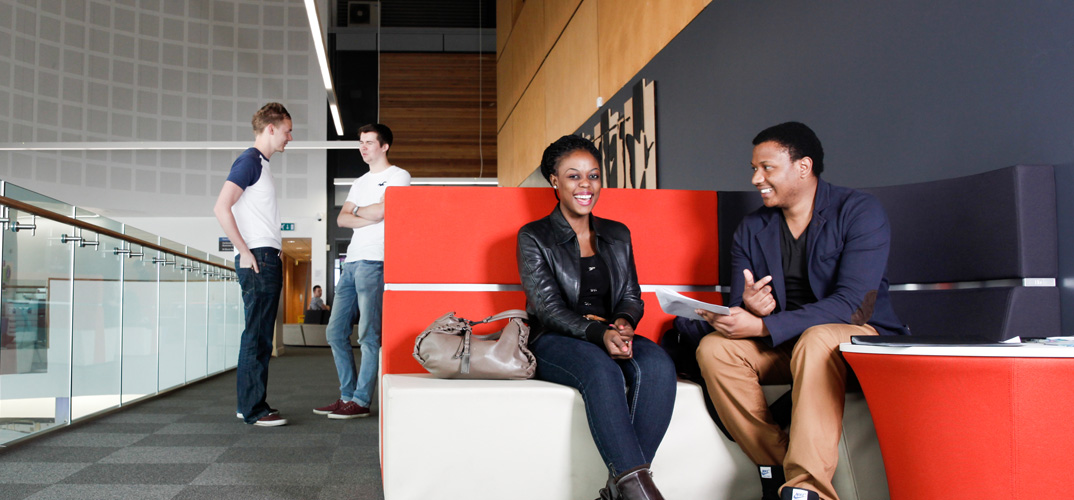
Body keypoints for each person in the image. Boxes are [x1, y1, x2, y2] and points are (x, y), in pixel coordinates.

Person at [690, 122, 909, 500]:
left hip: (856, 338)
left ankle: (810, 489)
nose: (756, 178)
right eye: (754, 168)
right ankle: (777, 472)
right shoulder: (751, 227)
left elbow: (854, 305)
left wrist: (763, 325)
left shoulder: (859, 211)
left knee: (817, 338)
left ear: (803, 167)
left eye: (767, 167)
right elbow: (742, 303)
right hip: (788, 343)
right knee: (714, 349)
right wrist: (748, 306)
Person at [517, 135, 676, 500]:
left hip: (609, 332)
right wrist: (597, 334)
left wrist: (622, 323)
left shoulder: (617, 233)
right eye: (573, 176)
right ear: (554, 181)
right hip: (557, 337)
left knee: (659, 366)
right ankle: (640, 493)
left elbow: (631, 296)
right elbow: (548, 309)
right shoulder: (535, 236)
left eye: (593, 175)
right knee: (601, 370)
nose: (585, 185)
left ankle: (617, 492)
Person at [314, 124, 411, 419]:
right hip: (351, 262)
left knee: (369, 334)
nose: (363, 147)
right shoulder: (359, 181)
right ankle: (346, 396)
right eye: (361, 142)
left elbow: (384, 213)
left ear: (384, 146)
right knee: (334, 332)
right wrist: (367, 211)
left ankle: (360, 400)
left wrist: (362, 212)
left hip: (376, 261)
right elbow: (341, 220)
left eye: (369, 142)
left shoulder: (399, 176)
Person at [213, 102, 294, 427]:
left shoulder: (261, 164)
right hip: (258, 258)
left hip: (264, 256)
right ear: (271, 128)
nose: (290, 137)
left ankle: (248, 404)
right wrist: (243, 251)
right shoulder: (249, 161)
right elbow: (221, 207)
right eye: (287, 131)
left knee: (259, 336)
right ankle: (254, 410)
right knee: (257, 337)